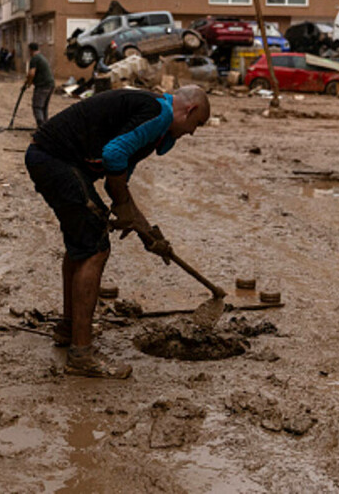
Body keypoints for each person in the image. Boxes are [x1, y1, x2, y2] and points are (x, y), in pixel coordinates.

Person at [24, 85, 211, 379]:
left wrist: (148, 232)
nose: (192, 133)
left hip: (49, 158)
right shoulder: (158, 113)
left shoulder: (149, 126)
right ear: (190, 110)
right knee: (95, 248)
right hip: (55, 159)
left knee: (82, 243)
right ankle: (81, 355)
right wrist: (124, 207)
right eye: (196, 125)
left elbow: (117, 184)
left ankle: (69, 328)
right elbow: (113, 156)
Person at [25, 42, 54, 128]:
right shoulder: (41, 57)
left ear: (30, 50)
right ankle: (46, 128)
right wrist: (27, 83)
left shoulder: (35, 59)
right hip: (50, 84)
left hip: (43, 86)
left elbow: (31, 74)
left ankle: (41, 129)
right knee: (44, 108)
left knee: (37, 107)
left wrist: (28, 84)